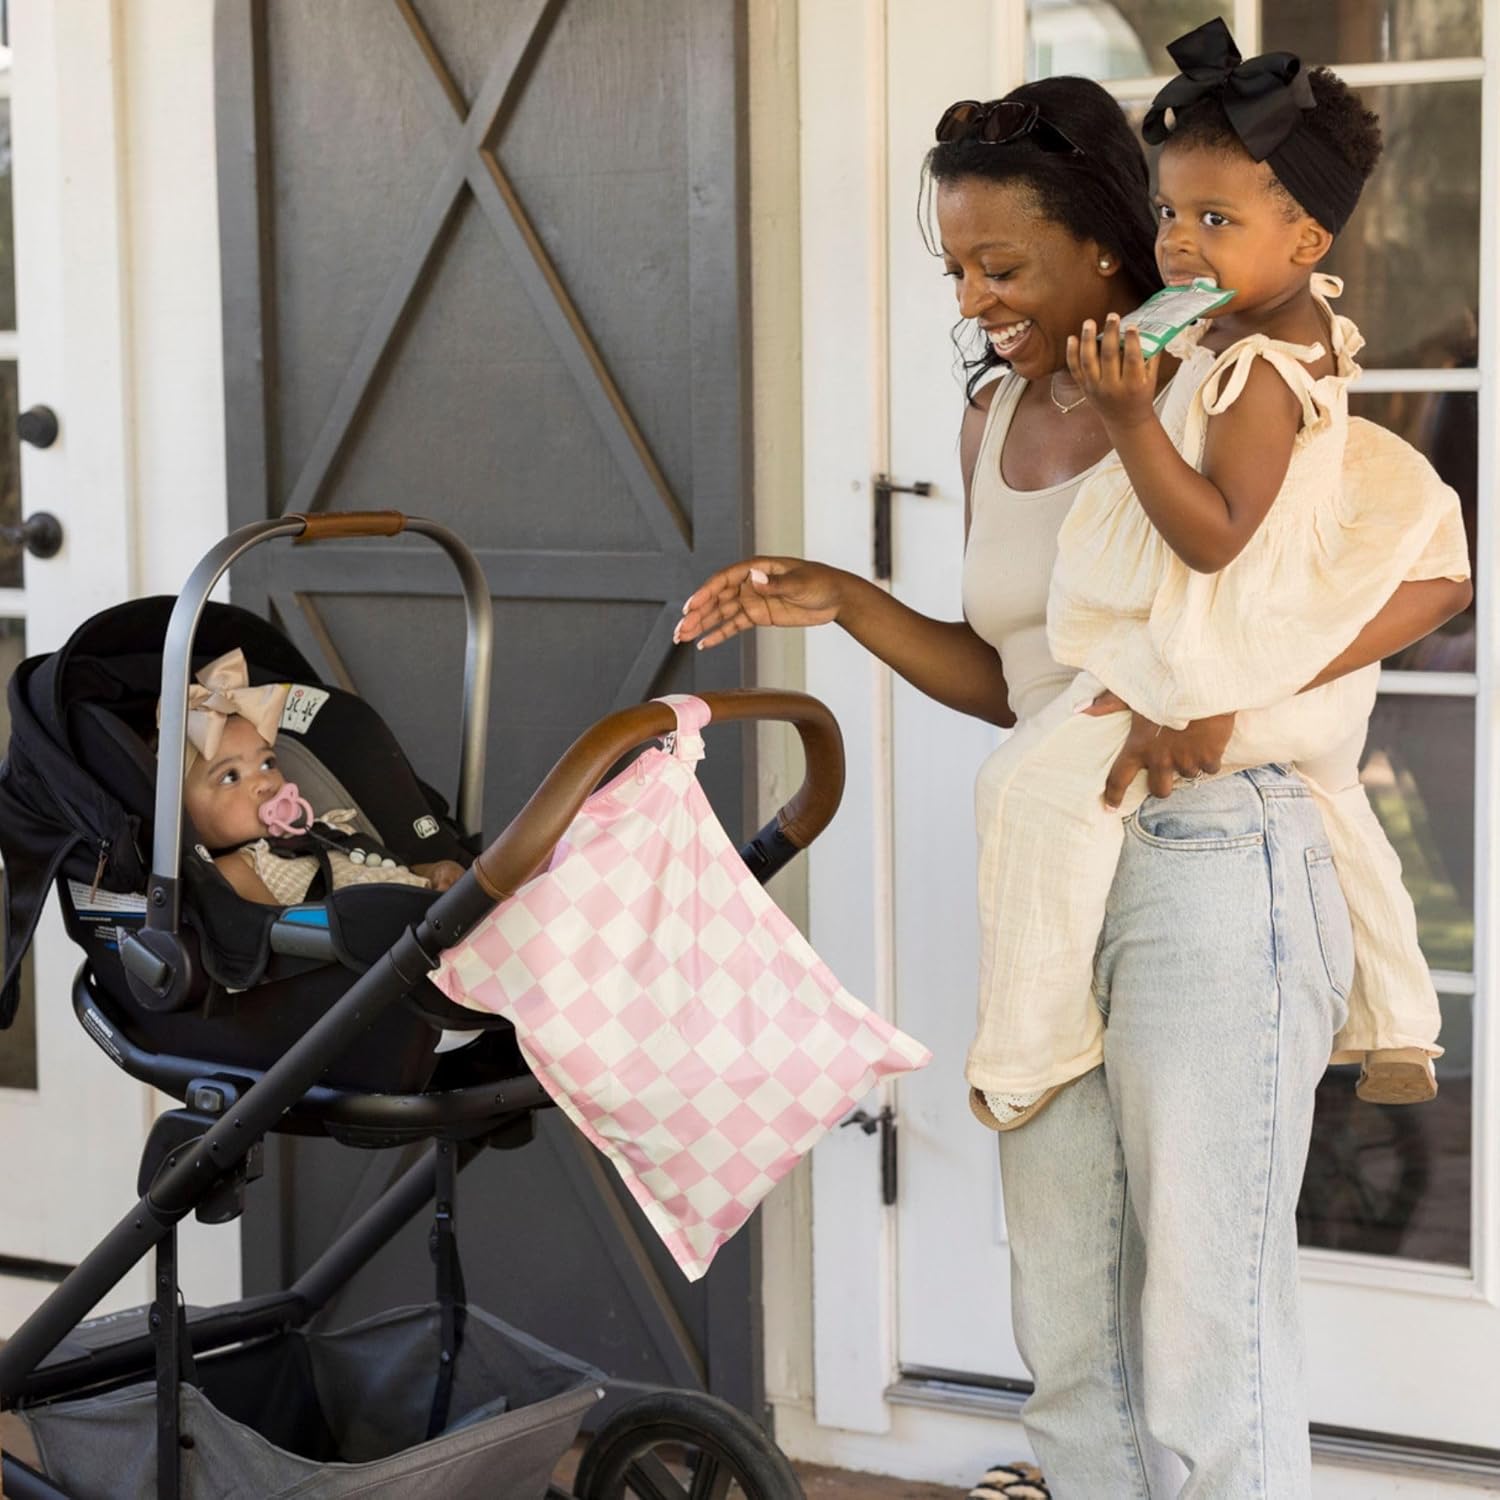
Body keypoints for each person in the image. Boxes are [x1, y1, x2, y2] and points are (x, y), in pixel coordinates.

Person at [673, 67, 1468, 1500]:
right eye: (957, 269)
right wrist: (845, 597)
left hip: (1214, 854)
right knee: (1068, 1302)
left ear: (1104, 251)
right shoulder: (996, 420)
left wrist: (1230, 692)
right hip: (1060, 854)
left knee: (1206, 1316)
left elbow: (1429, 572)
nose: (974, 299)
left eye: (1003, 266)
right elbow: (1017, 682)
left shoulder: (1228, 378)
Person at [962, 18, 1471, 1132]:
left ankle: (1032, 1042)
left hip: (1228, 656)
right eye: (1167, 215)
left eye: (1215, 221)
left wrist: (1129, 416)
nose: (1180, 245)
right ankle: (1396, 1021)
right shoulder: (1264, 340)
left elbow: (1216, 537)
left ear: (1307, 240)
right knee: (1338, 799)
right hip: (1274, 664)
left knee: (1028, 790)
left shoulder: (1258, 372)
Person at [173, 648, 463, 905]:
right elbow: (280, 935)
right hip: (385, 944)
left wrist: (435, 871)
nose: (263, 782)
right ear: (182, 811)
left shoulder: (329, 829)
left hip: (434, 922)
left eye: (267, 763)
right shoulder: (235, 871)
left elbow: (392, 871)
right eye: (230, 777)